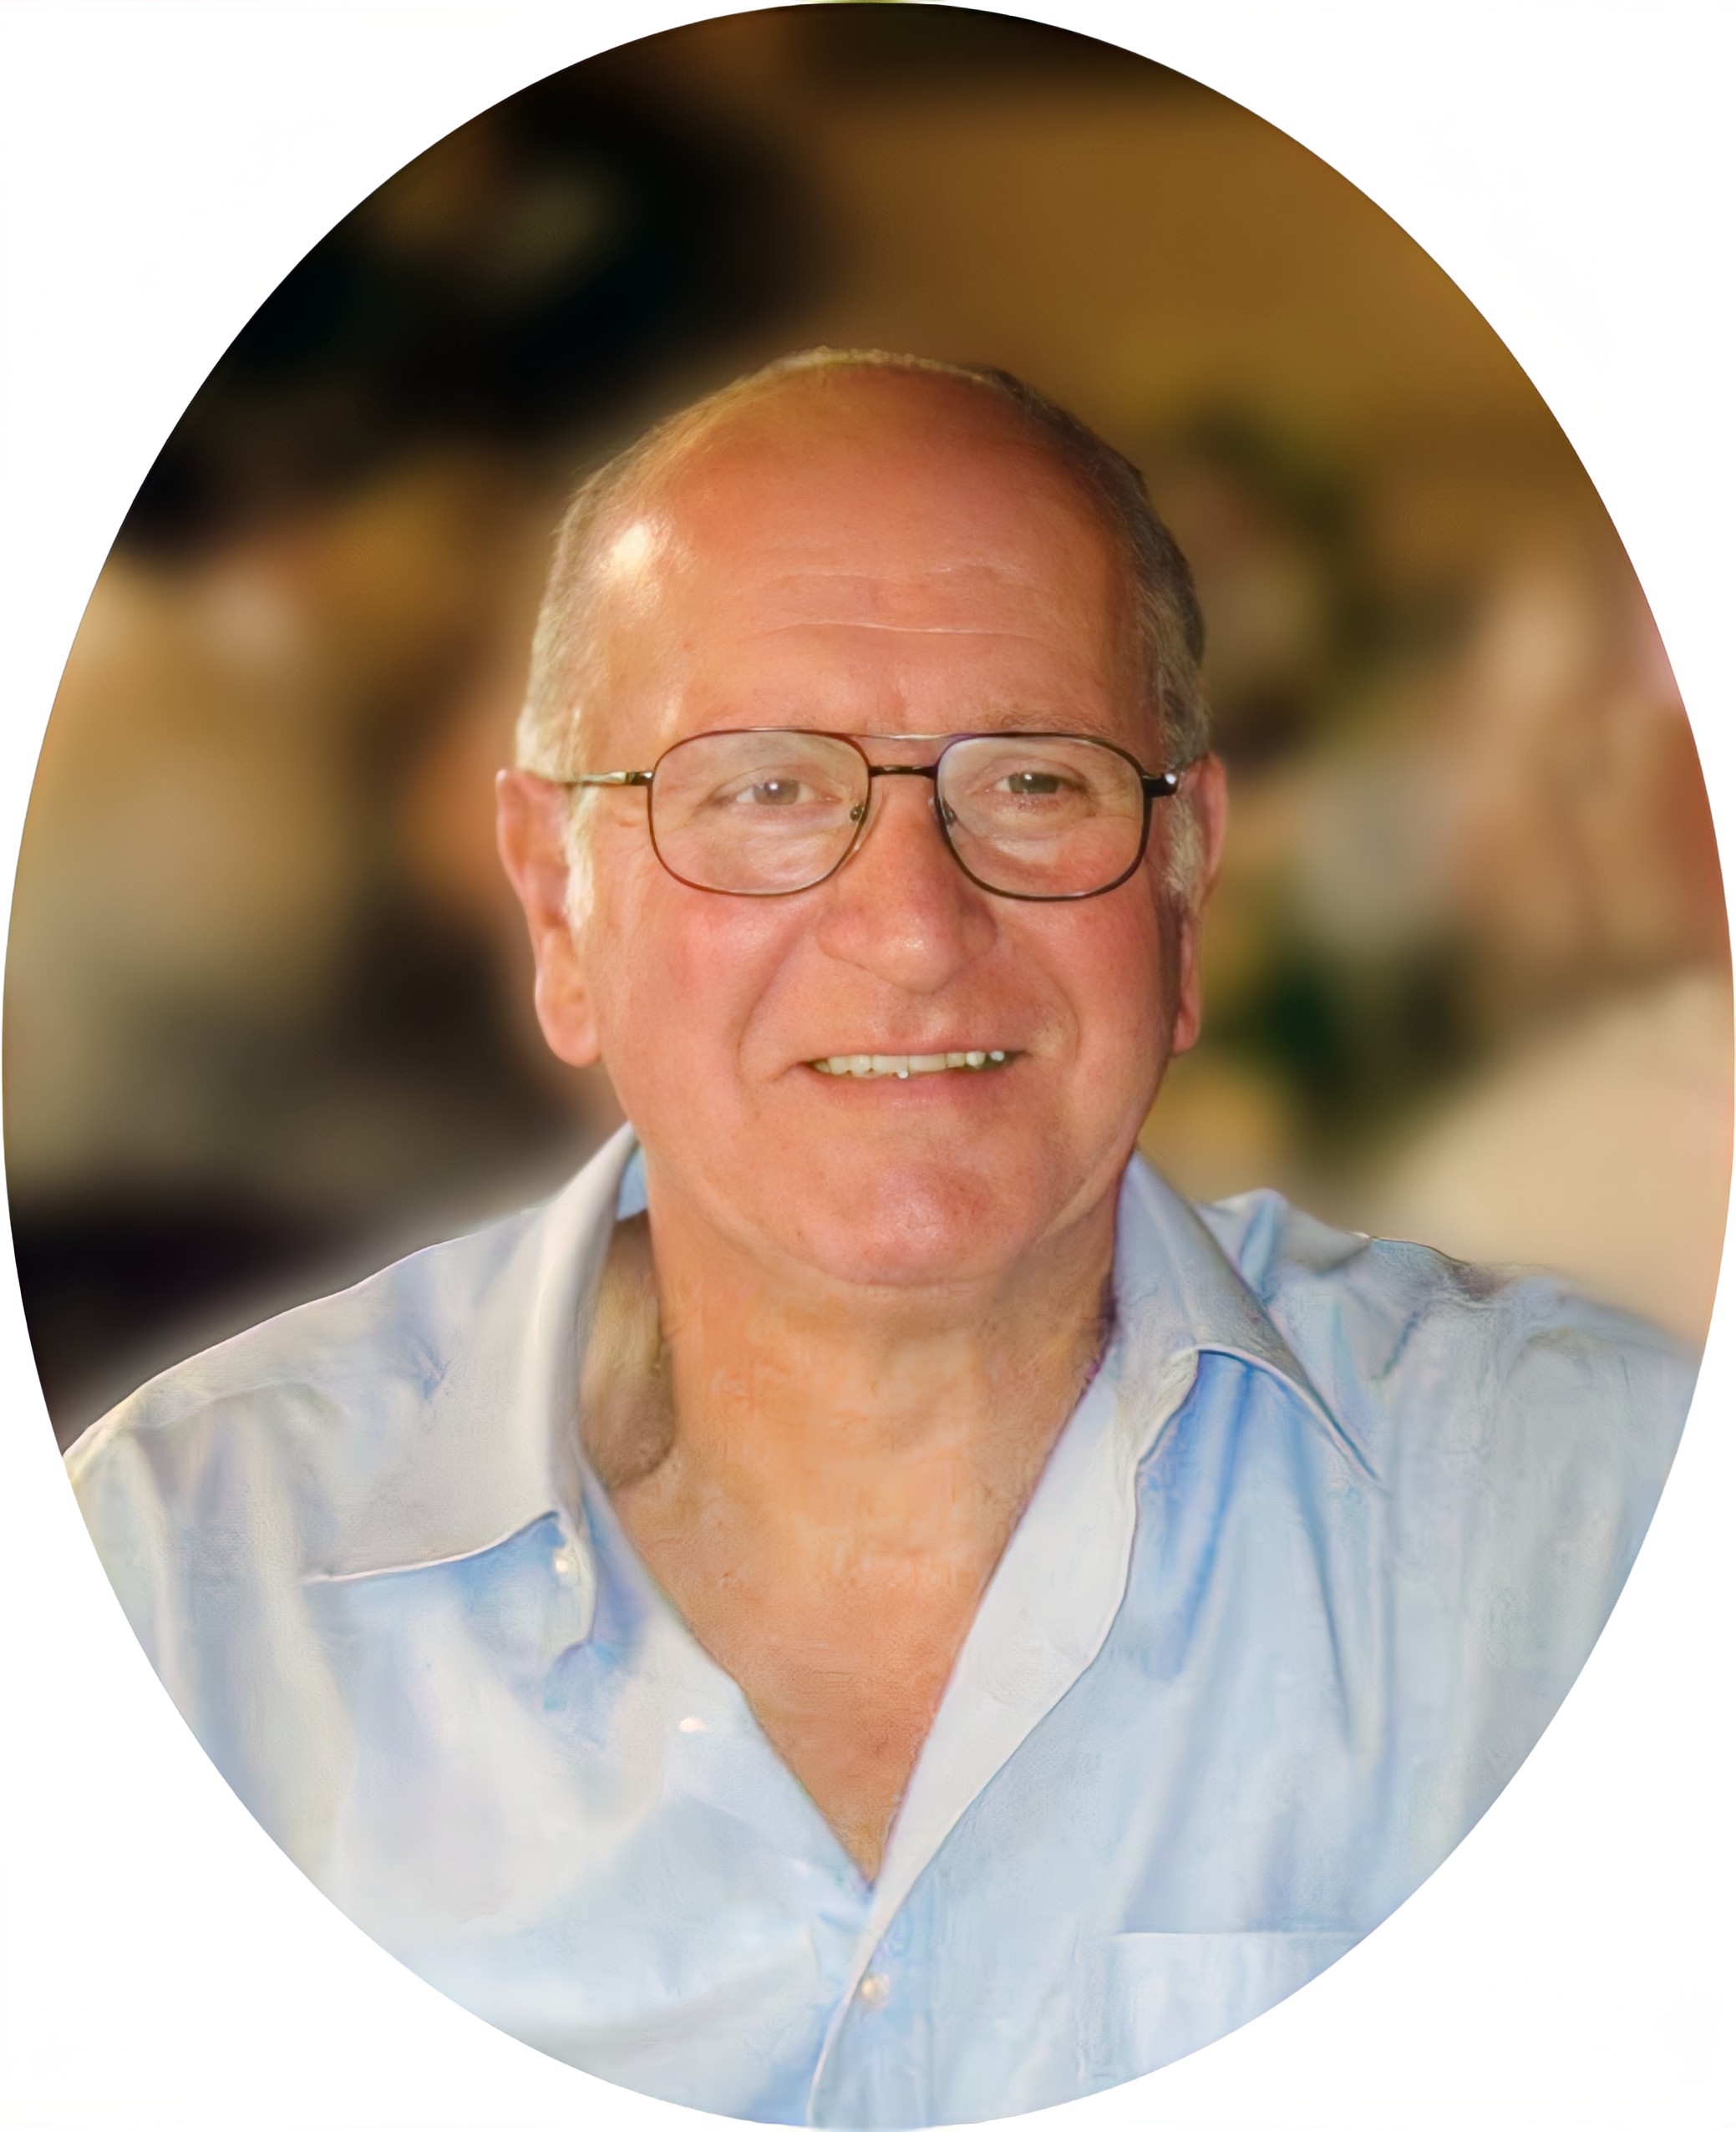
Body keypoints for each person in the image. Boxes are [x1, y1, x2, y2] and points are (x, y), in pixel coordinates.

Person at [67, 350, 1693, 2127]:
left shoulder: (1586, 1520)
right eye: (762, 790)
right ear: (556, 902)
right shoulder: (177, 1585)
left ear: (1185, 886)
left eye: (1035, 782)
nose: (915, 927)